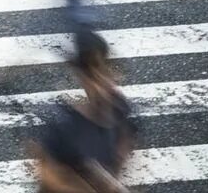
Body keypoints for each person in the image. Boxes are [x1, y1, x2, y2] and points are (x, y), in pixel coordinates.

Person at [28, 33, 136, 193]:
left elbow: (122, 151)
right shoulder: (63, 127)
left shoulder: (120, 109)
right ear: (83, 77)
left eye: (105, 71)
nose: (102, 83)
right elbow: (49, 179)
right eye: (93, 75)